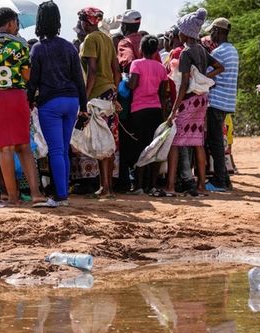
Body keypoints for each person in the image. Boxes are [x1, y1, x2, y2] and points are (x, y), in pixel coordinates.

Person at [0, 8, 47, 207]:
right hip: (17, 95)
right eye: (15, 22)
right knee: (23, 146)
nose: (16, 26)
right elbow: (27, 76)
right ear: (9, 23)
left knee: (4, 149)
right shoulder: (21, 43)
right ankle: (36, 194)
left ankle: (13, 198)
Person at [28, 2, 88, 207]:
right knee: (63, 149)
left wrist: (28, 101)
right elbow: (79, 79)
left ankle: (61, 196)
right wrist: (85, 106)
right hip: (72, 102)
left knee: (55, 150)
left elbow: (33, 81)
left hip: (50, 104)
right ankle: (62, 193)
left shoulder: (37, 48)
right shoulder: (69, 47)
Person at [163, 8, 224, 197]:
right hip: (202, 100)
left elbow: (184, 86)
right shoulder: (202, 50)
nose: (178, 34)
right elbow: (220, 67)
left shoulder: (186, 53)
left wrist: (173, 110)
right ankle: (201, 186)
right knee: (198, 142)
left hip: (188, 100)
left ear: (186, 33)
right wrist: (205, 78)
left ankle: (171, 187)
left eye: (180, 30)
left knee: (175, 142)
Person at [79, 7, 121, 199]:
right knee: (109, 140)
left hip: (97, 95)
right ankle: (108, 186)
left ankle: (104, 187)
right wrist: (115, 92)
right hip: (110, 93)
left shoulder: (90, 39)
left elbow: (93, 71)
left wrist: (85, 97)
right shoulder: (107, 39)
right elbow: (116, 70)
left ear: (85, 22)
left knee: (101, 140)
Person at [128, 35, 169, 194]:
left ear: (141, 49)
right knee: (154, 147)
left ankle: (138, 186)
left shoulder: (136, 64)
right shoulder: (161, 68)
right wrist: (164, 116)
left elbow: (132, 85)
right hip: (156, 111)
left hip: (138, 110)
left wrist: (126, 80)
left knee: (140, 147)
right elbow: (162, 94)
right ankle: (152, 185)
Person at [205, 17, 239, 192]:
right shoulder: (232, 50)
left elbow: (209, 78)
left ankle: (219, 181)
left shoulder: (218, 53)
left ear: (218, 31)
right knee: (219, 140)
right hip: (227, 101)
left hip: (216, 101)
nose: (211, 35)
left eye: (212, 32)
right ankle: (225, 178)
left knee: (215, 141)